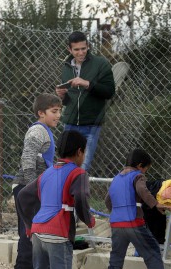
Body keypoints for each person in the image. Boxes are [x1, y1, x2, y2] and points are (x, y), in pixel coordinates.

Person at [10, 131, 95, 269]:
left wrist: (30, 224)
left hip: (38, 232)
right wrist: (89, 219)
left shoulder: (47, 174)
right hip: (58, 235)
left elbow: (22, 196)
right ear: (79, 152)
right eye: (84, 152)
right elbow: (82, 198)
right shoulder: (78, 174)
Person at [101, 149, 171, 269]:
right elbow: (142, 189)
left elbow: (107, 200)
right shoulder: (138, 176)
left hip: (117, 224)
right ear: (140, 165)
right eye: (145, 169)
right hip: (134, 222)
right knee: (152, 249)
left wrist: (117, 213)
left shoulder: (116, 178)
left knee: (117, 254)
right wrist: (155, 204)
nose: (145, 173)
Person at [11, 93, 62, 269]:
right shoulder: (37, 132)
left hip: (32, 187)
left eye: (59, 111)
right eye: (54, 111)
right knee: (29, 229)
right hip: (27, 187)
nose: (58, 115)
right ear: (41, 113)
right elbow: (28, 158)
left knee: (33, 229)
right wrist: (34, 187)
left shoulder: (45, 130)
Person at [55, 31, 115, 172]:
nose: (81, 52)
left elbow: (109, 92)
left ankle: (78, 193)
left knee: (82, 169)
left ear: (88, 46)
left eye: (84, 48)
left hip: (91, 126)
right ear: (69, 49)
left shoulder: (101, 64)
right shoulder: (66, 66)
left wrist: (87, 83)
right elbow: (69, 102)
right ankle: (64, 194)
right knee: (64, 168)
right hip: (69, 124)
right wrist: (62, 96)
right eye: (76, 49)